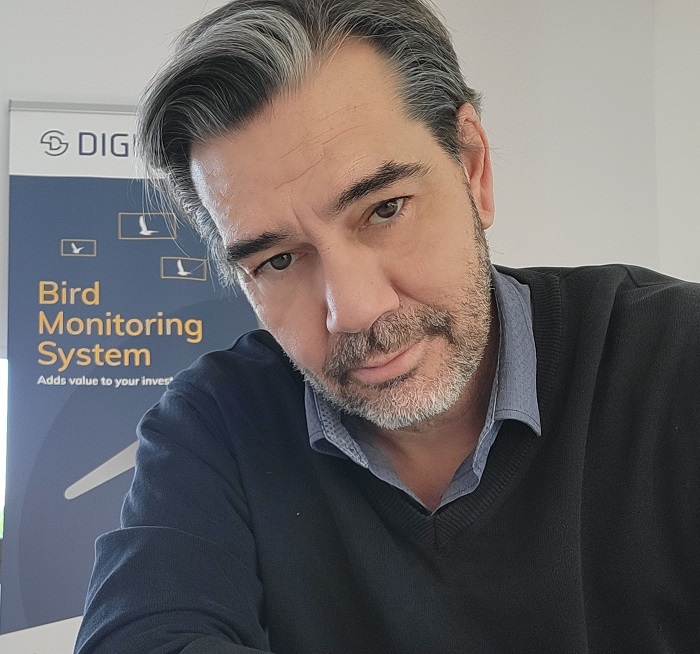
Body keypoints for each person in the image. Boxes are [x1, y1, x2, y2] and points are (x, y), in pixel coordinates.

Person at [75, 1, 700, 652]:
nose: (354, 309)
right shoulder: (218, 421)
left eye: (385, 209)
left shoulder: (677, 357)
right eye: (279, 260)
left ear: (473, 168)